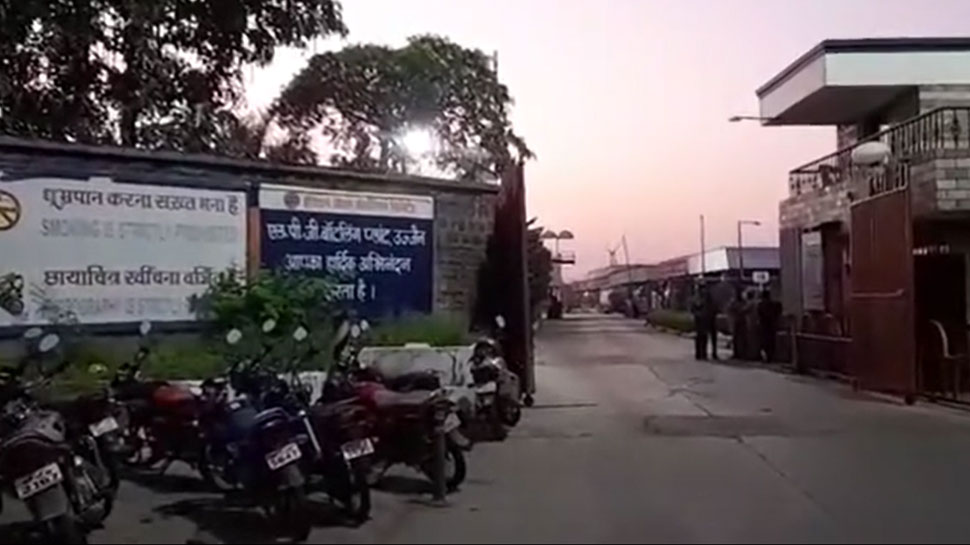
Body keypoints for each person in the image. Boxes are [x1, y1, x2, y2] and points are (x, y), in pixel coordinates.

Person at [757, 290, 782, 362]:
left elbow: (759, 314)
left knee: (765, 341)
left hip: (764, 325)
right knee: (771, 341)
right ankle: (771, 356)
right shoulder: (774, 304)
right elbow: (778, 310)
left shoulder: (761, 305)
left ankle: (767, 356)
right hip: (772, 325)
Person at [728, 286, 748, 360]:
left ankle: (742, 353)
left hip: (741, 321)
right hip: (737, 321)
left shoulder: (743, 301)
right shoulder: (735, 302)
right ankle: (737, 353)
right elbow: (730, 308)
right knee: (737, 338)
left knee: (742, 338)